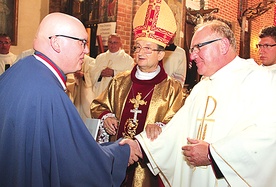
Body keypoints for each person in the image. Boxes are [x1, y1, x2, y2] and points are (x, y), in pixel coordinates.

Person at [0, 12, 142, 187]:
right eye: (81, 42)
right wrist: (121, 152)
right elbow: (75, 165)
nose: (87, 50)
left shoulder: (21, 70)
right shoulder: (49, 92)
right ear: (56, 42)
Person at [133, 20, 276, 186]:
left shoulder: (261, 80)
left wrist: (213, 155)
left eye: (198, 47)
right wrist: (139, 145)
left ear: (223, 45)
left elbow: (268, 134)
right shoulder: (202, 87)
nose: (192, 56)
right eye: (191, 50)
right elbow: (178, 130)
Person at [91, 1, 187, 186]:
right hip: (117, 157)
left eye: (147, 48)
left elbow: (180, 121)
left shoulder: (172, 88)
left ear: (161, 54)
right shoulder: (120, 81)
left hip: (149, 168)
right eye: (137, 47)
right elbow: (99, 105)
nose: (140, 52)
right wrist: (106, 116)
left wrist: (161, 126)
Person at [92, 33, 134, 98]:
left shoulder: (128, 59)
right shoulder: (100, 58)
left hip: (116, 95)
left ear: (120, 44)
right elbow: (91, 75)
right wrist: (100, 74)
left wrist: (114, 73)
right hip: (100, 93)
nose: (112, 45)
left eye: (115, 42)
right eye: (110, 42)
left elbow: (129, 77)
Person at [66, 54, 96, 122]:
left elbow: (95, 77)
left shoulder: (90, 61)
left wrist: (84, 76)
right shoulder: (69, 59)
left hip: (85, 92)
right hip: (74, 91)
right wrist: (73, 76)